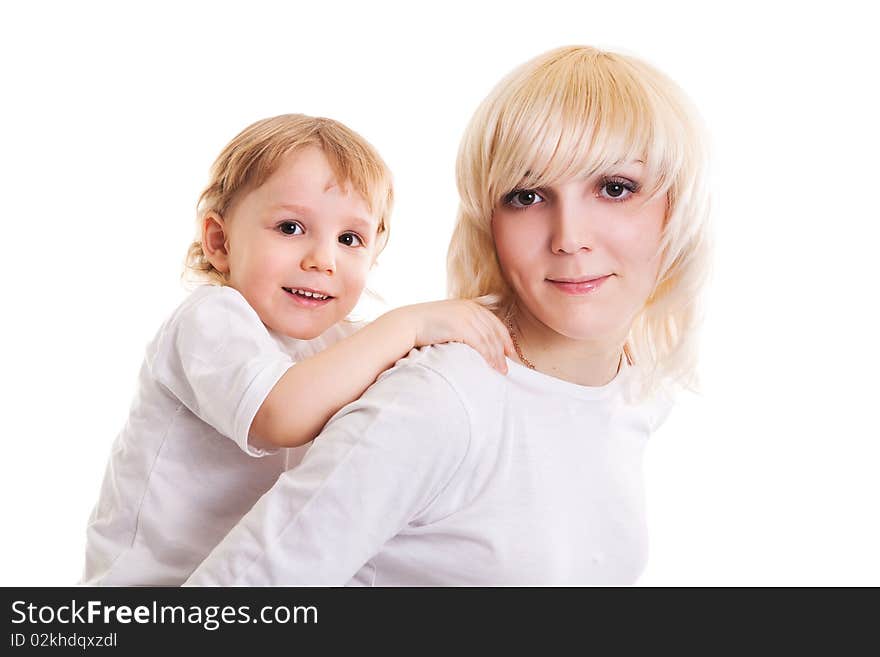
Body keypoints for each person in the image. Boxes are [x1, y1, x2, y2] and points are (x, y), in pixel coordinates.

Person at [185, 45, 712, 586]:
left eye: (615, 188)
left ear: (680, 203)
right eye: (527, 195)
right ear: (489, 223)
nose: (570, 238)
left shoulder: (637, 389)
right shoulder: (440, 399)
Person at [82, 114, 515, 585]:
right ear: (219, 241)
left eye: (350, 239)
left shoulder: (337, 343)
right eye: (290, 228)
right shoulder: (209, 319)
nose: (322, 260)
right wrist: (410, 324)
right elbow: (280, 415)